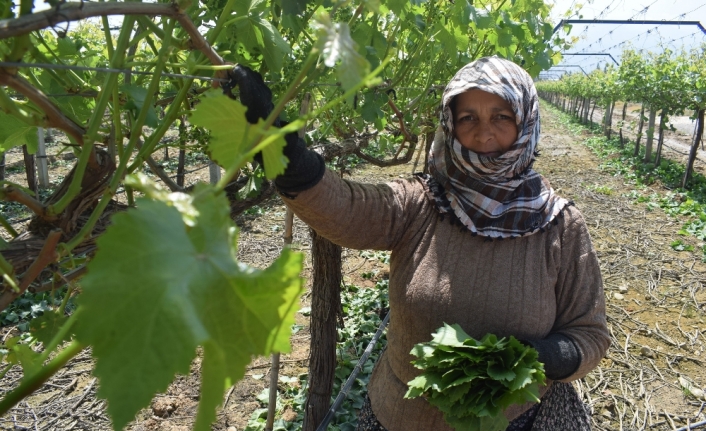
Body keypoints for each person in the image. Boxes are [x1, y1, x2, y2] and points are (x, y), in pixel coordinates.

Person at [226, 56, 610, 431]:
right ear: (450, 124)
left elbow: (589, 333)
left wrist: (547, 357)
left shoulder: (559, 225)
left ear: (526, 121)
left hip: (519, 420)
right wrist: (283, 148)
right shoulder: (422, 203)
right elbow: (344, 207)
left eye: (501, 116)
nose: (483, 133)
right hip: (398, 417)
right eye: (467, 118)